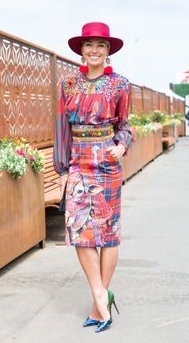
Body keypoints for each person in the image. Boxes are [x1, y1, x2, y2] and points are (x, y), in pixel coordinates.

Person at [53, 22, 133, 333]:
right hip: (77, 162)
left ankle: (98, 307)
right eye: (89, 45)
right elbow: (61, 128)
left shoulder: (121, 85)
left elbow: (125, 125)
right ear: (81, 50)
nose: (95, 50)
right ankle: (101, 295)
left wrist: (121, 145)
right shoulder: (67, 84)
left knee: (108, 232)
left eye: (101, 44)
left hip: (107, 163)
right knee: (79, 231)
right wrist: (62, 170)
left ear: (108, 51)